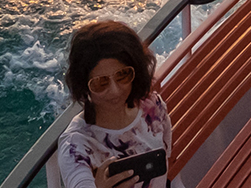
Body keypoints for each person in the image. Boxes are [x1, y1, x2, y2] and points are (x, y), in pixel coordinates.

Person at [58, 19, 179, 188]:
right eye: (101, 82)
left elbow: (168, 165)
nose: (115, 91)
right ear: (83, 85)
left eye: (123, 75)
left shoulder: (152, 107)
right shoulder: (76, 146)